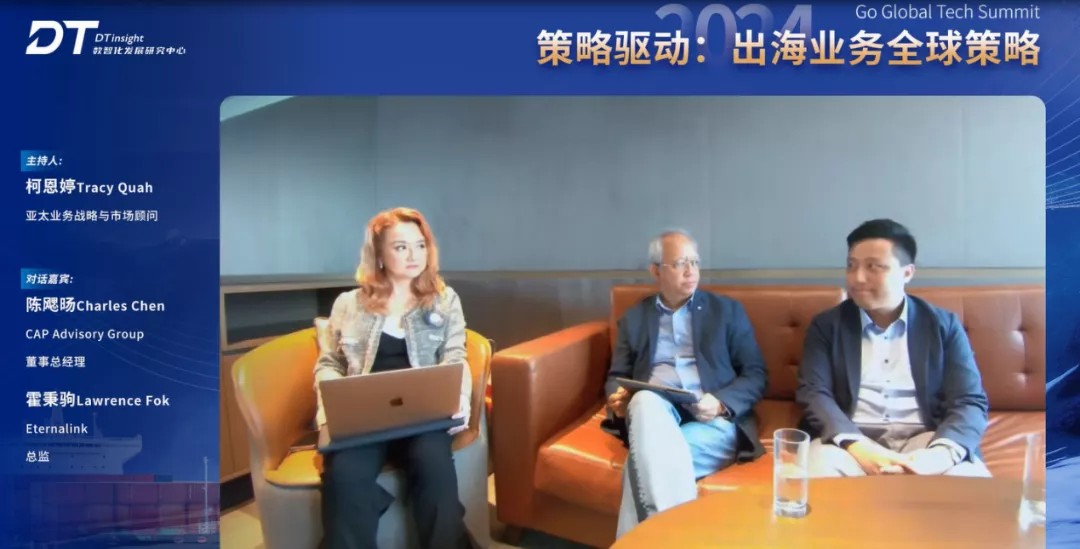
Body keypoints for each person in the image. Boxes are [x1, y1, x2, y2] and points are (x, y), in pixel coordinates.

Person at [313, 207, 472, 549]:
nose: (414, 255)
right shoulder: (348, 303)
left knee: (435, 471)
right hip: (363, 417)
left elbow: (455, 356)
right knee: (345, 477)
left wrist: (459, 399)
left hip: (424, 414)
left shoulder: (445, 300)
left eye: (420, 245)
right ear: (379, 255)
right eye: (401, 247)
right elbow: (330, 362)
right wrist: (328, 411)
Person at [795, 218, 991, 478]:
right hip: (849, 442)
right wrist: (858, 446)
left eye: (873, 267)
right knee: (813, 482)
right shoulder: (827, 326)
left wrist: (940, 455)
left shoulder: (943, 325)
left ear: (907, 273)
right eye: (851, 265)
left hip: (927, 440)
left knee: (970, 485)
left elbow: (969, 400)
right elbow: (814, 392)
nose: (857, 278)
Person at [604, 229, 767, 538]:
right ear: (656, 271)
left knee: (643, 465)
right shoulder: (634, 318)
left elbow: (755, 373)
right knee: (644, 399)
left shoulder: (726, 311)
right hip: (654, 416)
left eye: (695, 261)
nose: (691, 271)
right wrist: (618, 398)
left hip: (713, 422)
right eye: (680, 263)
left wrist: (720, 403)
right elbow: (616, 376)